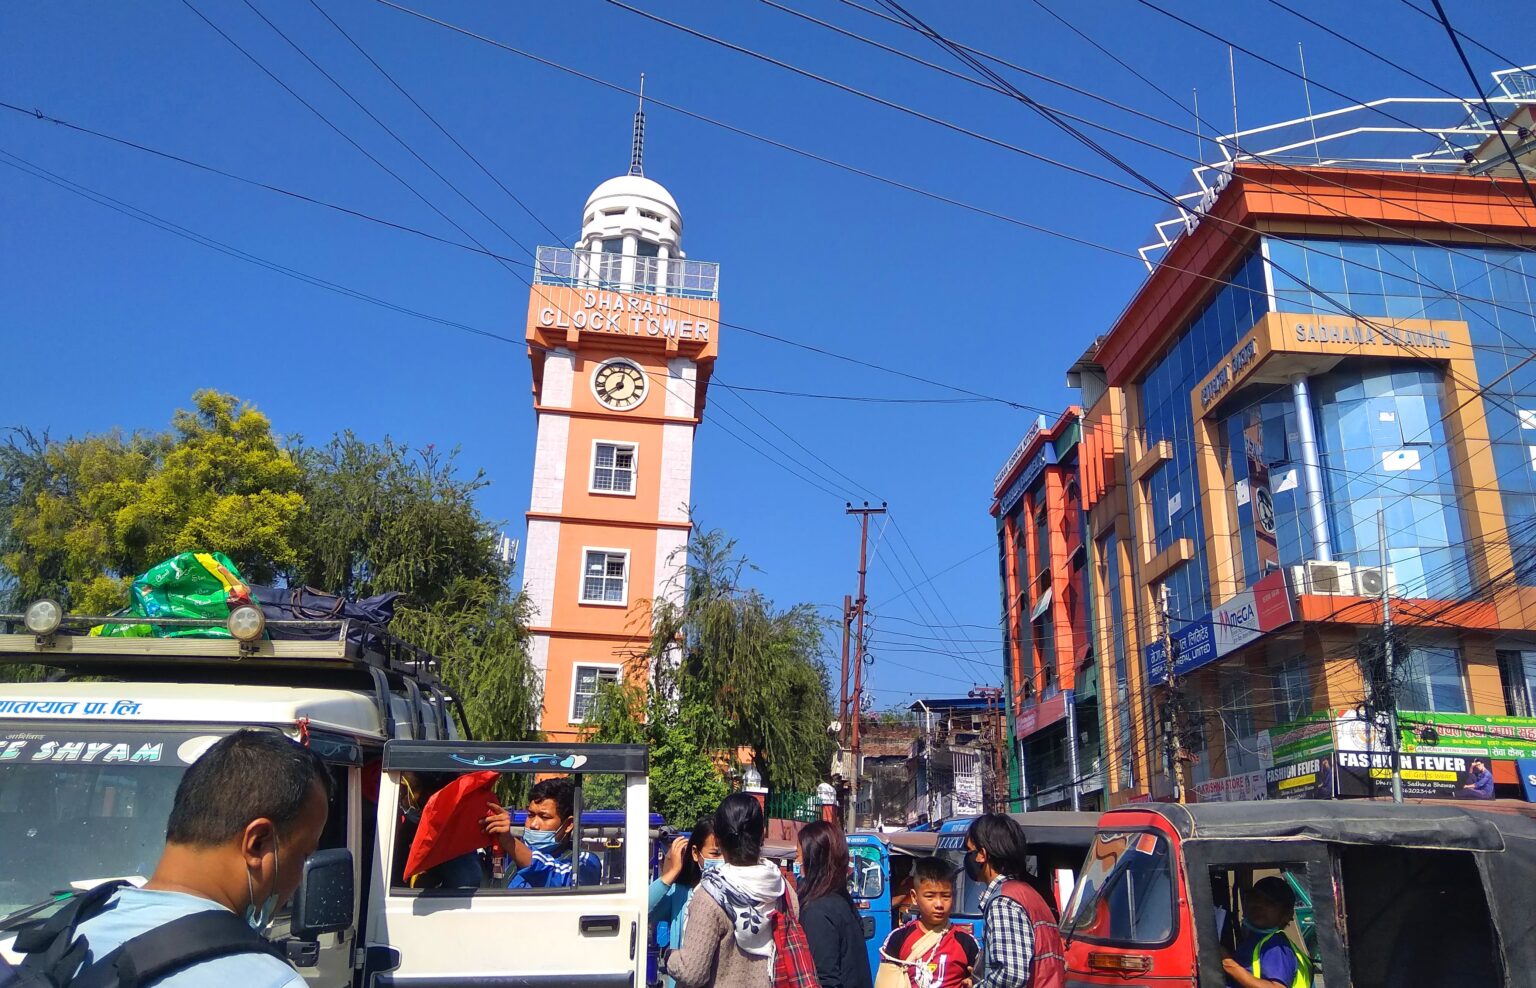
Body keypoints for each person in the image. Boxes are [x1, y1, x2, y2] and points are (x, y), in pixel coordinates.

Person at [71, 728, 332, 987]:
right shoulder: (273, 981)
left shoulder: (64, 941)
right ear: (257, 843)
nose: (299, 875)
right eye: (303, 854)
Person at [663, 793, 794, 988]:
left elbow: (692, 973)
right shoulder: (783, 889)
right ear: (762, 834)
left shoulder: (709, 897)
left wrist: (669, 956)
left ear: (718, 839)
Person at [964, 814, 1066, 988]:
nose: (969, 858)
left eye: (969, 851)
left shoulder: (1003, 902)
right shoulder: (1028, 893)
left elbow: (1011, 975)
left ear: (982, 855)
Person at [876, 856, 979, 988]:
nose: (939, 904)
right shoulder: (898, 939)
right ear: (914, 897)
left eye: (946, 896)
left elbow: (977, 978)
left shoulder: (966, 942)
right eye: (930, 896)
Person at [482, 776, 602, 888]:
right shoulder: (514, 862)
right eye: (530, 815)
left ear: (568, 825)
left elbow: (557, 877)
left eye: (544, 817)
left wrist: (510, 842)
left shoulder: (584, 861)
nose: (533, 825)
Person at [796, 820, 873, 988]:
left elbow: (825, 979)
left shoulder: (817, 911)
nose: (797, 860)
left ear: (813, 859)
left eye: (800, 854)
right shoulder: (841, 900)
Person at [650, 818, 722, 987]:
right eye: (715, 854)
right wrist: (671, 873)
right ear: (696, 853)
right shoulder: (681, 894)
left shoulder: (731, 895)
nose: (721, 860)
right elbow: (644, 909)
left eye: (725, 853)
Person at [1221, 876, 1310, 988]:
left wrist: (1228, 964)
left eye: (1270, 903)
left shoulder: (1275, 946)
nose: (1259, 905)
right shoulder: (1255, 941)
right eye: (1255, 898)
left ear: (1287, 914)